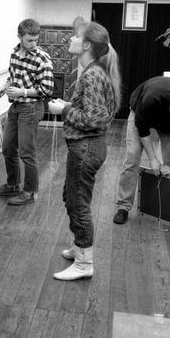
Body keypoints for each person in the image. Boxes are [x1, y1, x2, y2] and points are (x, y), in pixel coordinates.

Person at [49, 21, 121, 280]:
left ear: (87, 44)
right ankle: (80, 247)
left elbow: (96, 119)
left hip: (87, 148)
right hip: (86, 147)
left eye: (76, 36)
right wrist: (69, 105)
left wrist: (64, 109)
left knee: (78, 204)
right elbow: (93, 112)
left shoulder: (92, 75)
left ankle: (84, 263)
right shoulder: (94, 72)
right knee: (72, 198)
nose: (71, 39)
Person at [113, 75, 170, 225]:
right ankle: (123, 207)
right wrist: (153, 158)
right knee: (132, 157)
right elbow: (142, 129)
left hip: (168, 124)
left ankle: (167, 206)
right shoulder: (151, 99)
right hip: (140, 112)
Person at [0, 19, 54, 205]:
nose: (33, 44)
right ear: (19, 37)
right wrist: (4, 87)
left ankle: (29, 192)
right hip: (16, 107)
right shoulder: (14, 53)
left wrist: (22, 92)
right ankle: (13, 185)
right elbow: (13, 77)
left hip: (31, 108)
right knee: (7, 148)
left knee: (27, 152)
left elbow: (47, 90)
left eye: (36, 40)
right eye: (29, 40)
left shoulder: (42, 58)